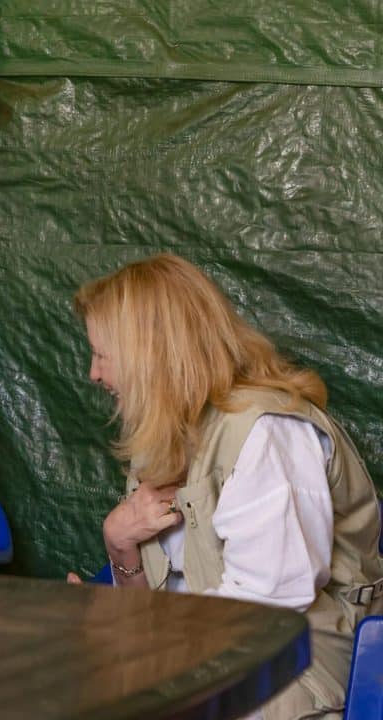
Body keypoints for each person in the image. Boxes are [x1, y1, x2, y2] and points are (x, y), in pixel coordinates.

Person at [69, 254, 383, 719]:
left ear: (150, 354)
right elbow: (162, 591)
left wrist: (133, 634)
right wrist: (119, 547)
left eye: (102, 355)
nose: (94, 373)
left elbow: (270, 602)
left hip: (293, 661)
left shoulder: (267, 433)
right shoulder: (166, 435)